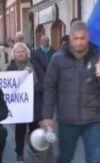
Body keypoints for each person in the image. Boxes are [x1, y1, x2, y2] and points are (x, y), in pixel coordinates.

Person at [42, 21, 100, 163]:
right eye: (76, 38)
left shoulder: (97, 57)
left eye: (83, 38)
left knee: (95, 158)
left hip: (93, 119)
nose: (79, 42)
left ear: (88, 37)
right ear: (70, 38)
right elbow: (50, 88)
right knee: (65, 157)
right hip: (67, 120)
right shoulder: (58, 59)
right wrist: (47, 116)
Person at [7, 43, 45, 162]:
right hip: (20, 103)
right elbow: (10, 86)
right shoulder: (11, 67)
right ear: (14, 54)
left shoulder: (35, 64)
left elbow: (43, 80)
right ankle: (19, 153)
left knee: (34, 126)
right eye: (17, 52)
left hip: (35, 101)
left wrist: (34, 89)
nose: (20, 53)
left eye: (22, 51)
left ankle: (34, 147)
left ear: (27, 53)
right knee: (20, 129)